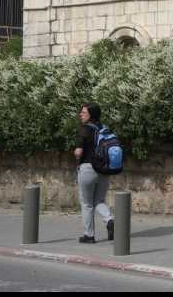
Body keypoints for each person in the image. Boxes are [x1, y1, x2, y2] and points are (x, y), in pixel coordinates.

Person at [74, 103, 115, 244]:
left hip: (88, 169)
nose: (81, 114)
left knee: (86, 203)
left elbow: (79, 152)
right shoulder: (105, 129)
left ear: (91, 115)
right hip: (104, 169)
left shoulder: (85, 129)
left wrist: (76, 154)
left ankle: (89, 235)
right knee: (99, 200)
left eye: (84, 112)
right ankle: (110, 219)